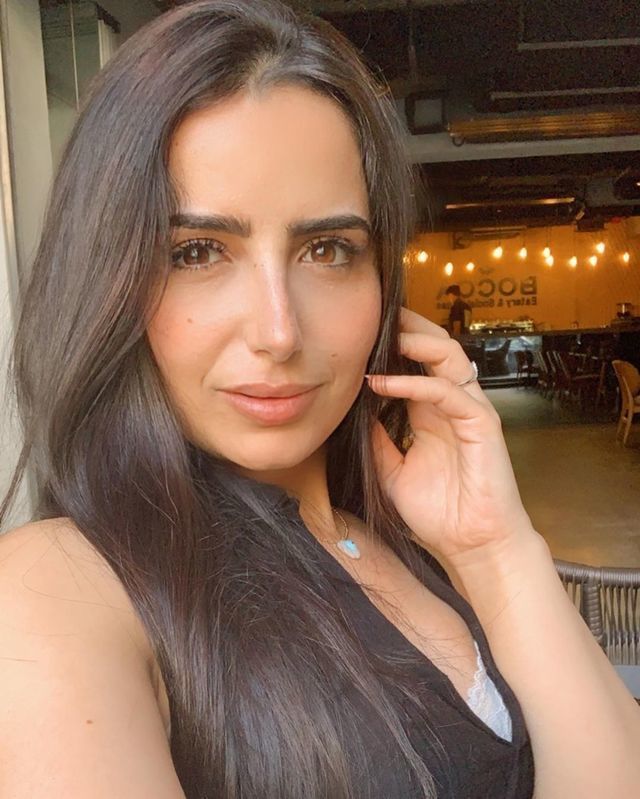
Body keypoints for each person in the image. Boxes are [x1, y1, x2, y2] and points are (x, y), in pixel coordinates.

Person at [1, 1, 639, 797]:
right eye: (196, 252)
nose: (279, 331)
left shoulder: (398, 540)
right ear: (106, 281)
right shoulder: (62, 586)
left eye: (328, 249)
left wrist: (495, 549)